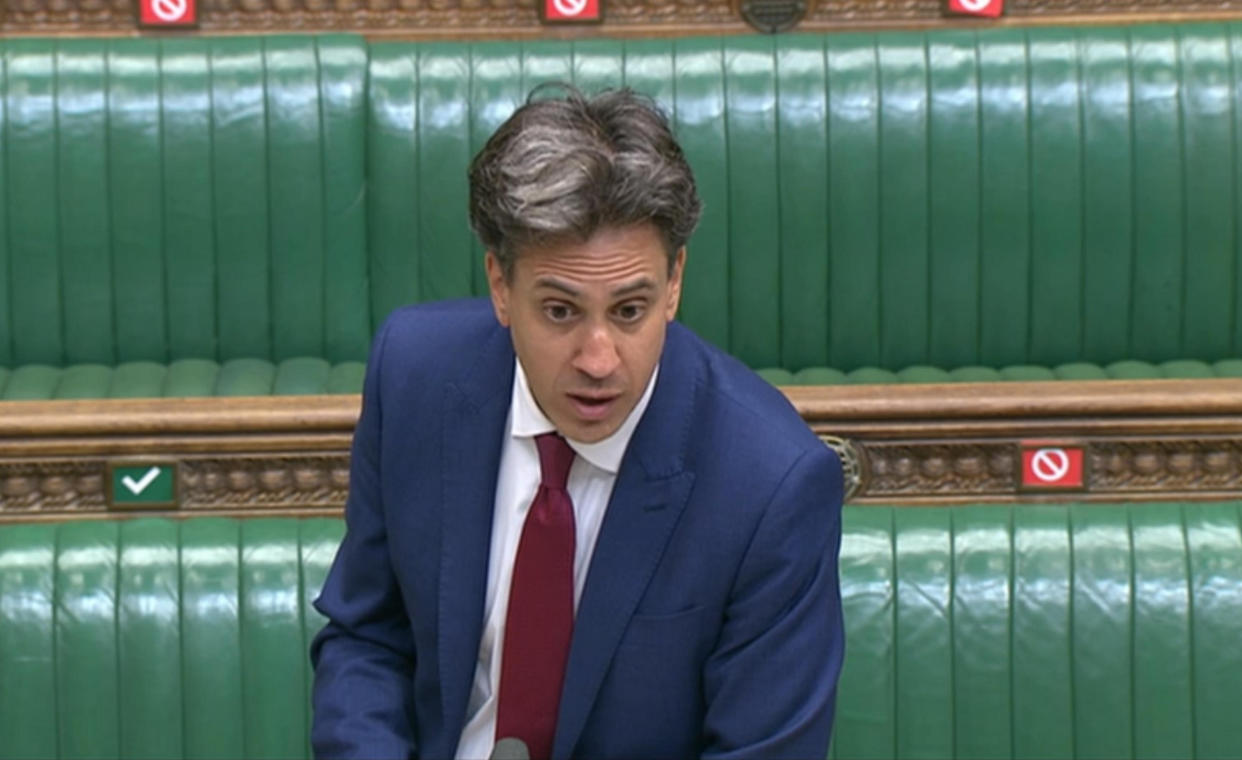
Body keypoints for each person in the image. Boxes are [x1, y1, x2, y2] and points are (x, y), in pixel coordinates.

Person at [310, 84, 845, 760]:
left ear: (675, 281)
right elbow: (368, 638)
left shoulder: (771, 484)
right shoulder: (415, 376)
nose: (599, 360)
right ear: (500, 286)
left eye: (629, 311)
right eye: (561, 311)